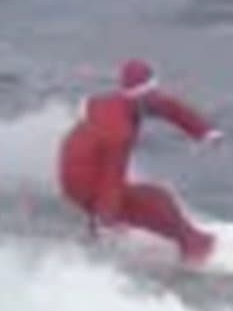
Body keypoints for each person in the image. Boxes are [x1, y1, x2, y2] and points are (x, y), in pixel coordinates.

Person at [57, 58, 222, 265]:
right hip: (83, 182)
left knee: (135, 203)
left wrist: (204, 132)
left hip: (74, 170)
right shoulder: (119, 132)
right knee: (159, 201)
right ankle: (195, 248)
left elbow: (169, 108)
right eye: (153, 95)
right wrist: (107, 218)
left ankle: (99, 228)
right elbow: (112, 179)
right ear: (143, 98)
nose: (157, 99)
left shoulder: (119, 102)